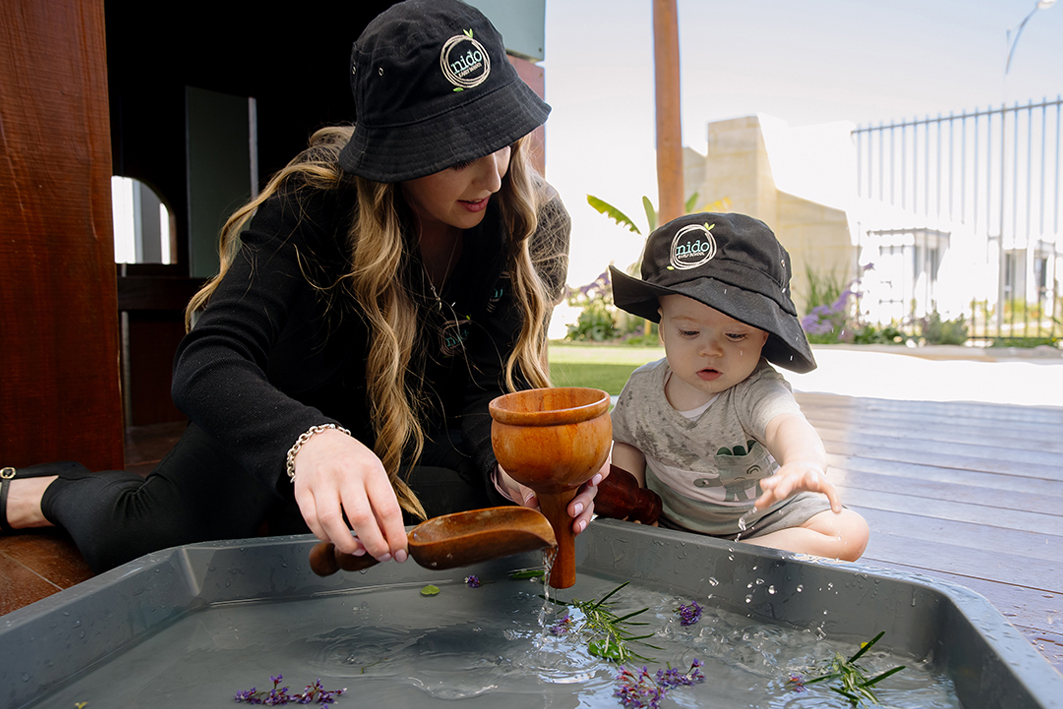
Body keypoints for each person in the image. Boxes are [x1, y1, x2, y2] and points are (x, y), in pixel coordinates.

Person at [0, 0, 605, 573]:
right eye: (455, 154)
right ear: (393, 154)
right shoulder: (313, 202)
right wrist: (307, 442)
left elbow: (483, 389)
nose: (493, 176)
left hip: (400, 431)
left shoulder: (530, 221)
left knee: (451, 507)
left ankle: (294, 509)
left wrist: (516, 470)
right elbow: (209, 360)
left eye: (500, 136)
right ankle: (46, 490)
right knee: (144, 535)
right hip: (281, 417)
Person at [608, 212, 868, 561]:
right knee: (610, 531)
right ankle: (712, 561)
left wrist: (802, 462)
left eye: (734, 335)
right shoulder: (642, 389)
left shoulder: (756, 389)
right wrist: (632, 501)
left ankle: (731, 560)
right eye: (688, 332)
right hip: (672, 520)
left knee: (848, 533)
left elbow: (786, 424)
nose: (710, 349)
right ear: (662, 328)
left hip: (763, 524)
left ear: (763, 337)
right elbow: (628, 442)